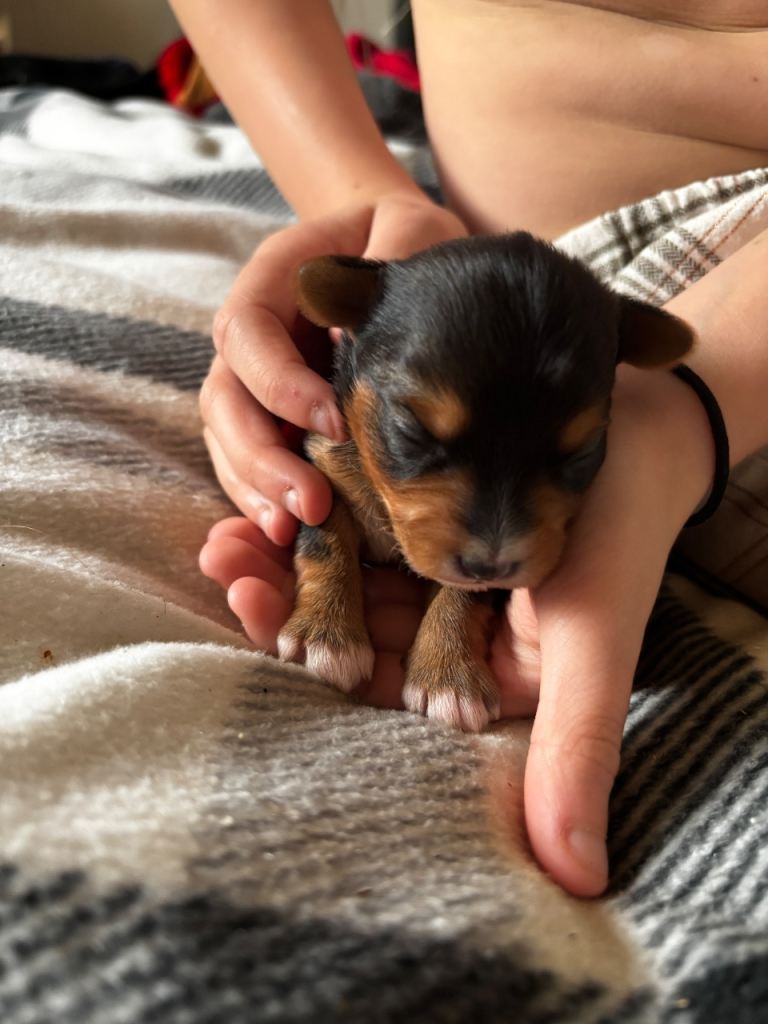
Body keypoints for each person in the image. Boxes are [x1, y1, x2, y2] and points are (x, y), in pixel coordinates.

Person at [168, 0, 768, 897]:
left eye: (572, 459)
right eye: (418, 434)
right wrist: (354, 187)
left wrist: (696, 405)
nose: (492, 537)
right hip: (516, 283)